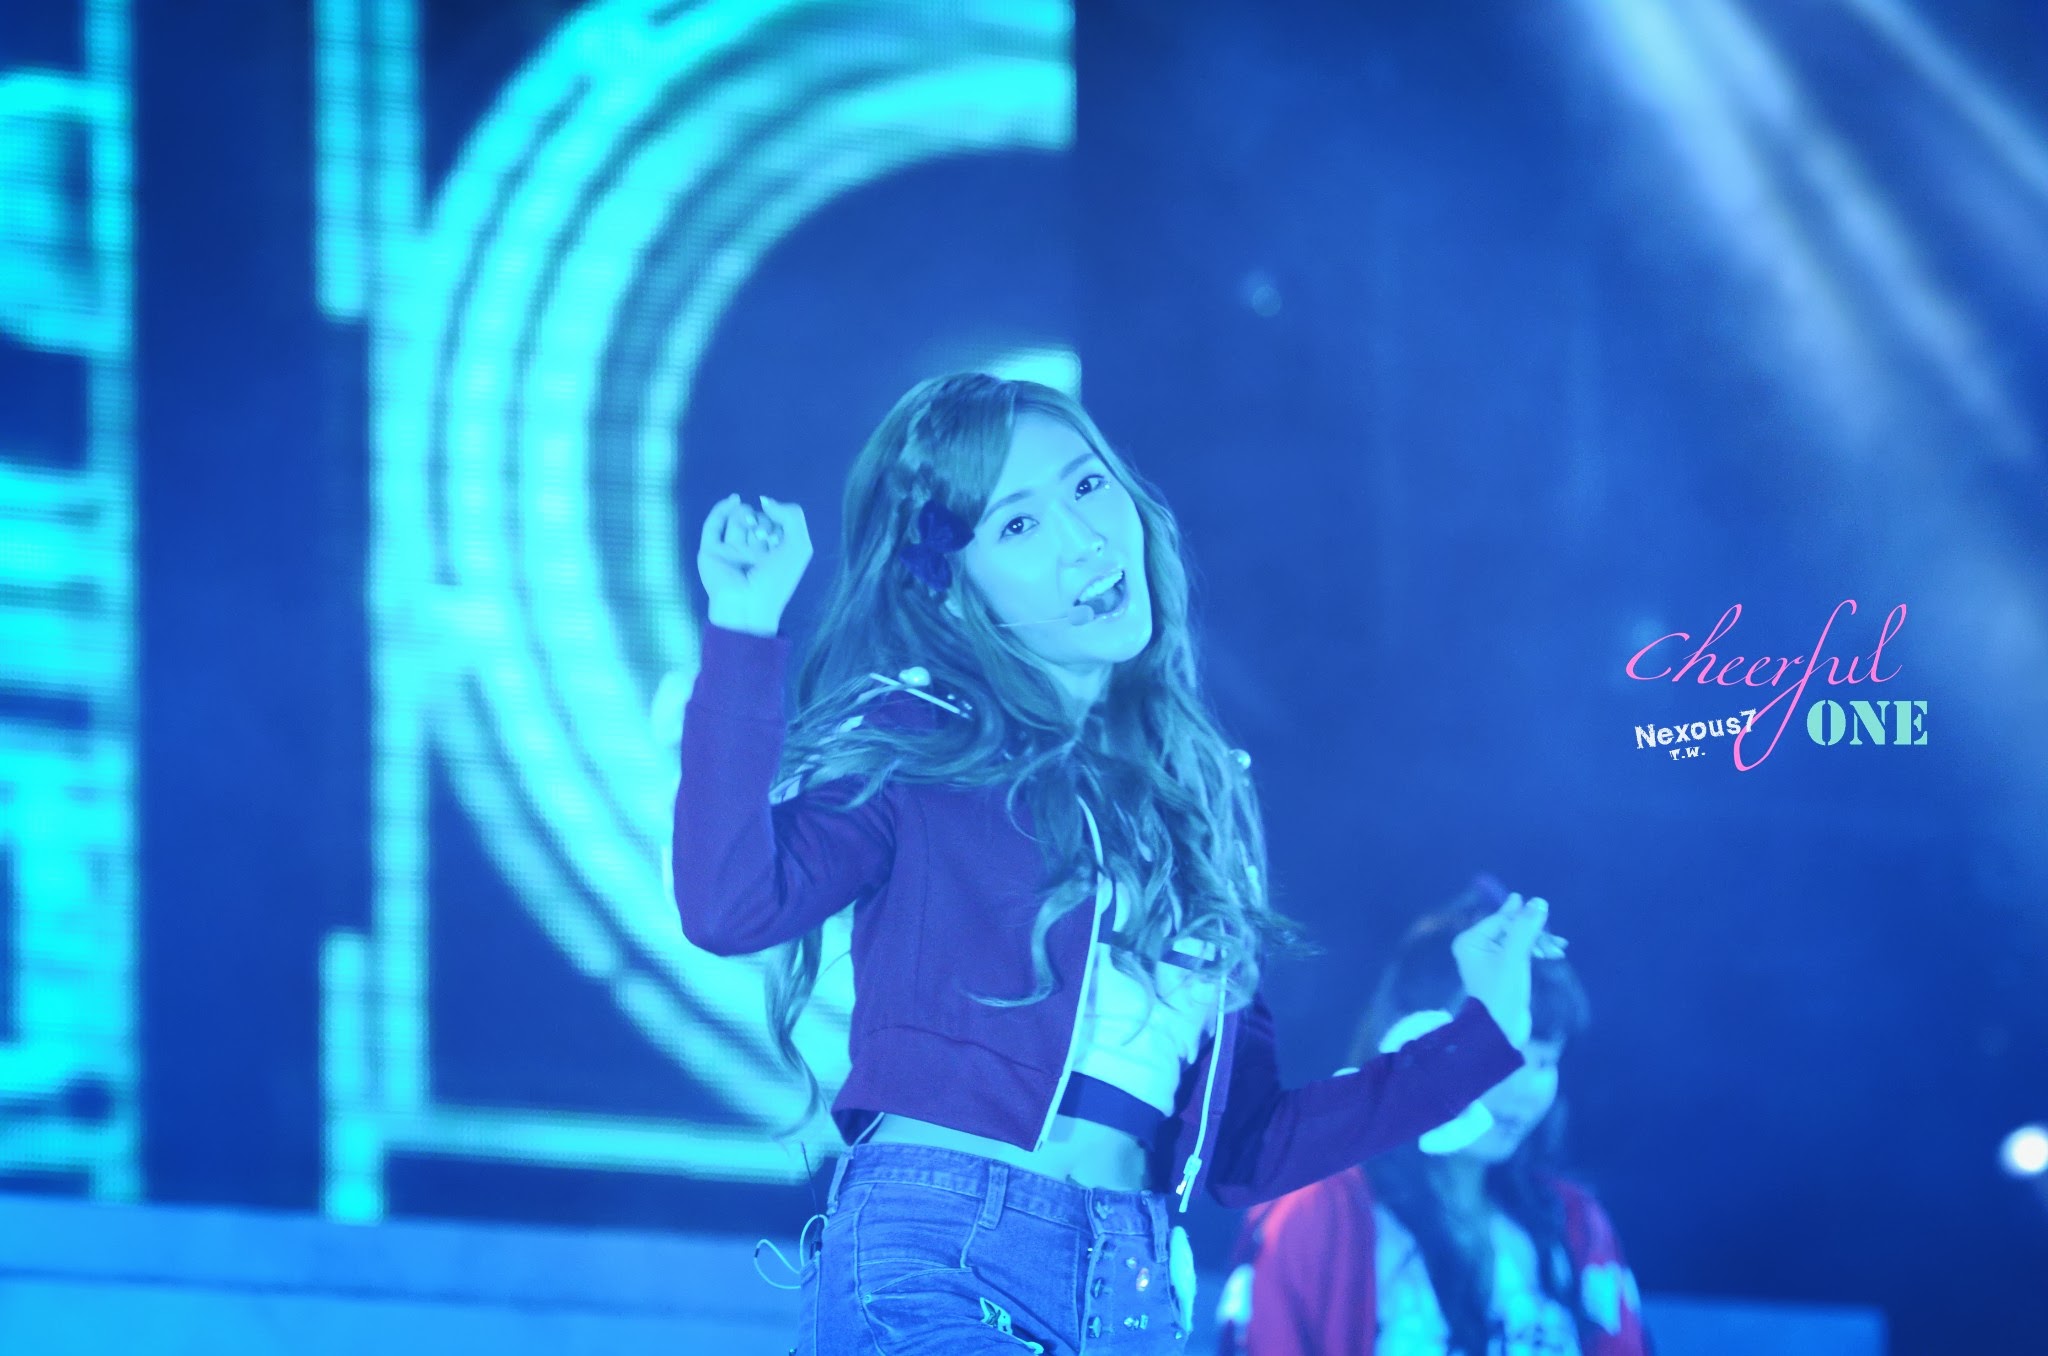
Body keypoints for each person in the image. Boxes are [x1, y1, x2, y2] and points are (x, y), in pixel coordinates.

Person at [672, 374, 1553, 1353]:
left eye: (1088, 487)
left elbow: (1246, 1148)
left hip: (1132, 1286)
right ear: (952, 588)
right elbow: (730, 904)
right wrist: (743, 629)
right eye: (1017, 525)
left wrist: (1483, 1035)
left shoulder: (1204, 810)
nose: (1086, 541)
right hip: (940, 1249)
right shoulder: (922, 743)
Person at [1220, 877, 1648, 1356]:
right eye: (1506, 1053)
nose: (1525, 1089)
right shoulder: (1315, 1216)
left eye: (1545, 1061)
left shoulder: (1573, 1220)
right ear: (1417, 1037)